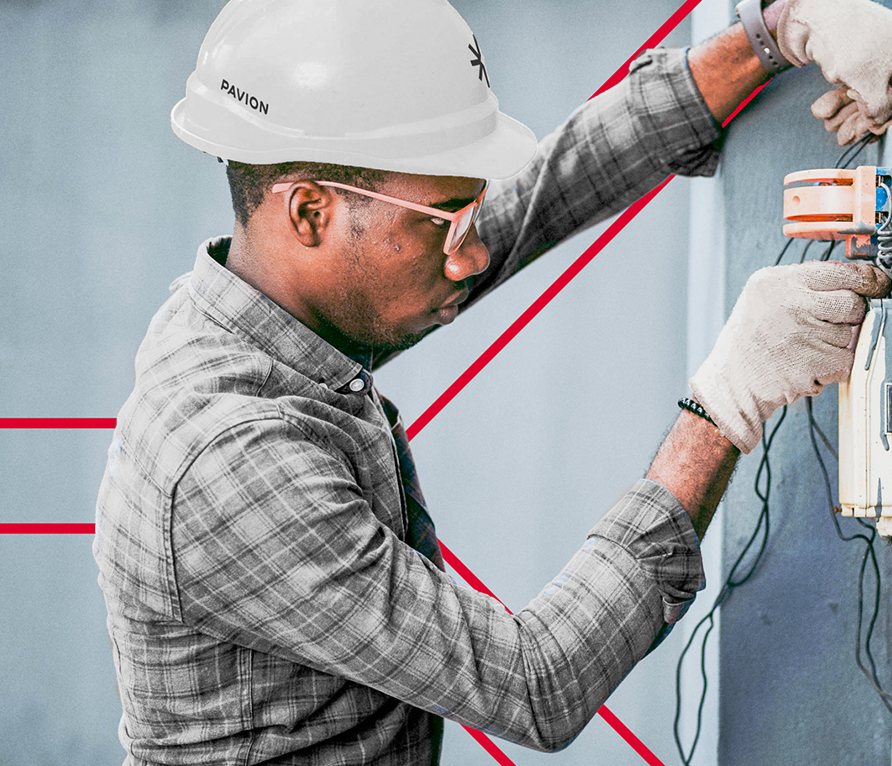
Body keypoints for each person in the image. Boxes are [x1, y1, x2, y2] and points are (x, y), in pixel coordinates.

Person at [93, 0, 892, 763]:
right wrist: (724, 404)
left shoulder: (269, 299)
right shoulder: (232, 458)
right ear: (309, 214)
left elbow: (542, 193)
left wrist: (779, 32)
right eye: (445, 226)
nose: (472, 258)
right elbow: (538, 684)